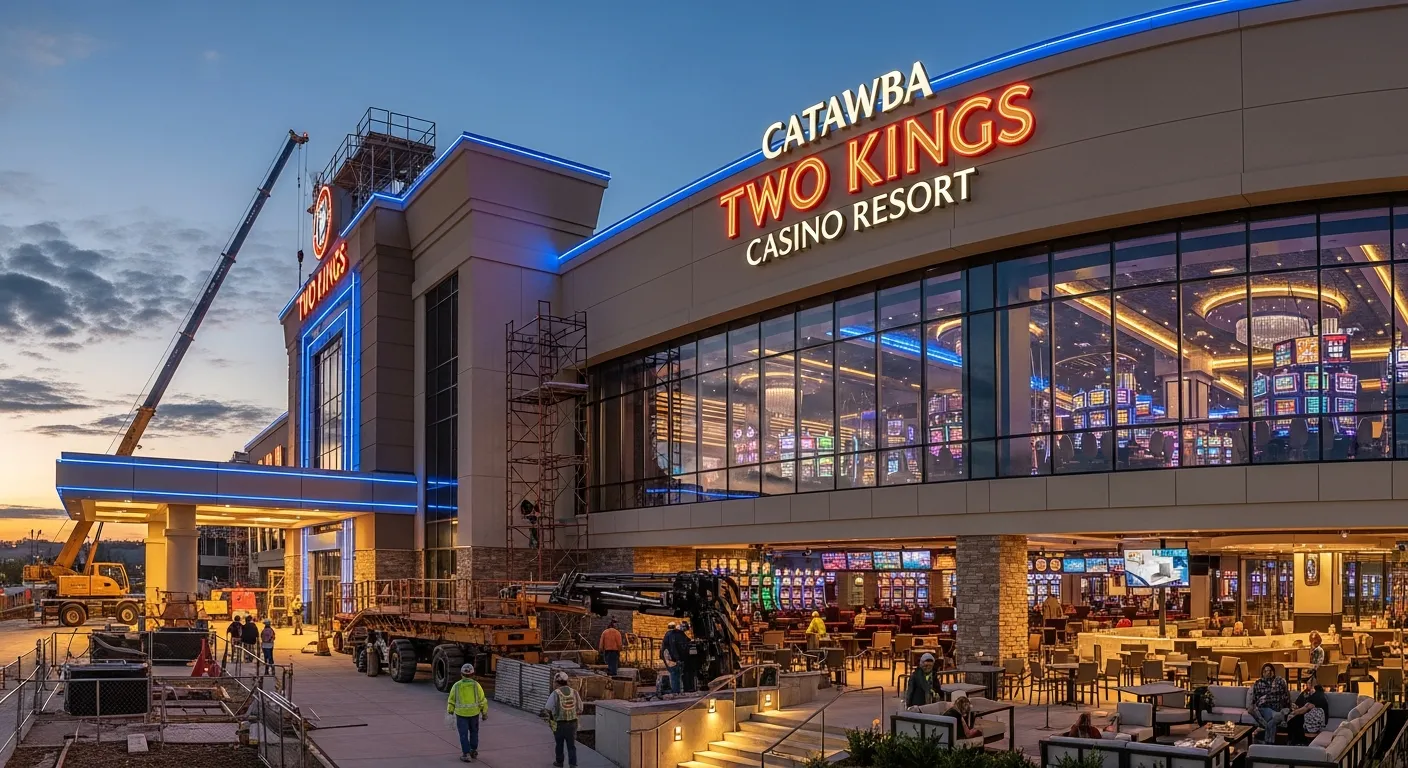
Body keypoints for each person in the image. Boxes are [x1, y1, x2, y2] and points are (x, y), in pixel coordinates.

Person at [446, 663, 488, 762]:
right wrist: (484, 713)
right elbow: (483, 701)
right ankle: (473, 750)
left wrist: (450, 711)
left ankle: (466, 754)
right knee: (474, 732)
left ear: (461, 674)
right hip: (474, 714)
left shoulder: (456, 686)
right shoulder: (476, 686)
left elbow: (451, 700)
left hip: (461, 715)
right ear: (473, 674)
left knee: (463, 734)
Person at [544, 671, 579, 768]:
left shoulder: (555, 693)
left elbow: (548, 708)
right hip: (572, 724)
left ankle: (559, 762)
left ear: (557, 682)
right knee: (571, 746)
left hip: (559, 724)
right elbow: (580, 708)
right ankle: (573, 765)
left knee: (559, 744)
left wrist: (551, 717)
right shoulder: (574, 692)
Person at [1250, 662, 1290, 744]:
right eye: (1265, 671)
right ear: (1262, 673)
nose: (1268, 672)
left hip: (1277, 707)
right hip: (1264, 708)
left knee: (1272, 720)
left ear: (1273, 672)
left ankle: (1267, 742)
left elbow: (1286, 696)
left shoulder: (1280, 681)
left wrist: (1287, 708)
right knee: (1274, 715)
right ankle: (1271, 743)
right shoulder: (1258, 683)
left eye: (1270, 670)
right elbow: (1255, 700)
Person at [661, 622, 686, 694]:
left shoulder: (667, 634)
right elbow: (673, 647)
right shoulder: (672, 635)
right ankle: (676, 692)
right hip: (670, 657)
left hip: (667, 656)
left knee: (674, 673)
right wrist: (677, 658)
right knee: (675, 673)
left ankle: (676, 691)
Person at [679, 620, 699, 693]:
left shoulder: (681, 634)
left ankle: (689, 687)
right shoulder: (680, 634)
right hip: (685, 657)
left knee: (688, 673)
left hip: (685, 657)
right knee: (688, 673)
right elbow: (685, 642)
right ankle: (688, 688)